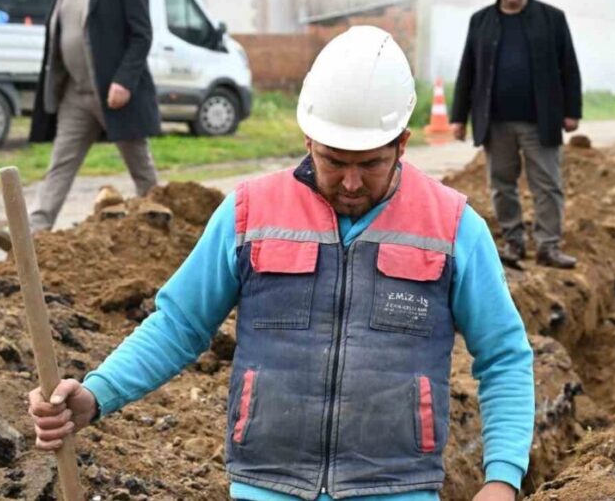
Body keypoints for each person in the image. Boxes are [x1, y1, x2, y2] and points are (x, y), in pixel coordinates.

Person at [27, 27, 535, 501]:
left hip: (395, 485)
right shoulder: (249, 212)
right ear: (308, 139)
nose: (351, 183)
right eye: (334, 161)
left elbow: (504, 355)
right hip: (266, 483)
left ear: (401, 144)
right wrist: (97, 394)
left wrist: (503, 477)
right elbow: (179, 325)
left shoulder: (451, 225)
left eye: (371, 164)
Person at [0, 0, 159, 252]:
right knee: (60, 163)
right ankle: (31, 234)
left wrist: (125, 81)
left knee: (139, 164)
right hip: (75, 94)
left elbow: (142, 35)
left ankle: (160, 220)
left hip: (113, 93)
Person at [451, 0, 582, 269]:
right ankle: (513, 242)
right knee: (501, 185)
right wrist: (459, 116)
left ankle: (548, 246)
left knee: (547, 185)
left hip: (542, 121)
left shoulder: (551, 19)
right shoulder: (481, 21)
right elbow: (468, 70)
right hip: (496, 122)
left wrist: (572, 110)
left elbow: (569, 67)